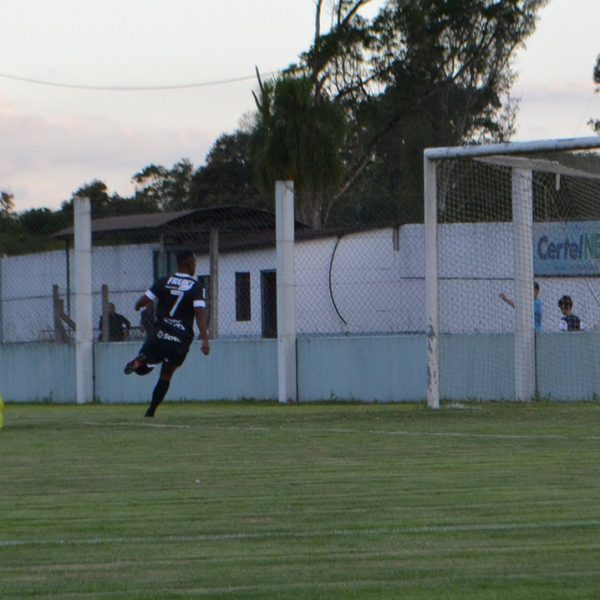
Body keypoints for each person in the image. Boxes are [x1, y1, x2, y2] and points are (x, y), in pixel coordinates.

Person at [124, 250, 210, 417]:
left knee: (143, 367)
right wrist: (205, 339)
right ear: (189, 264)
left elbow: (143, 301)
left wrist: (137, 305)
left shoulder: (164, 281)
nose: (195, 267)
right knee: (167, 373)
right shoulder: (197, 286)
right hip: (180, 338)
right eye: (194, 264)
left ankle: (142, 359)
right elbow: (199, 312)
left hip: (159, 333)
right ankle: (151, 410)